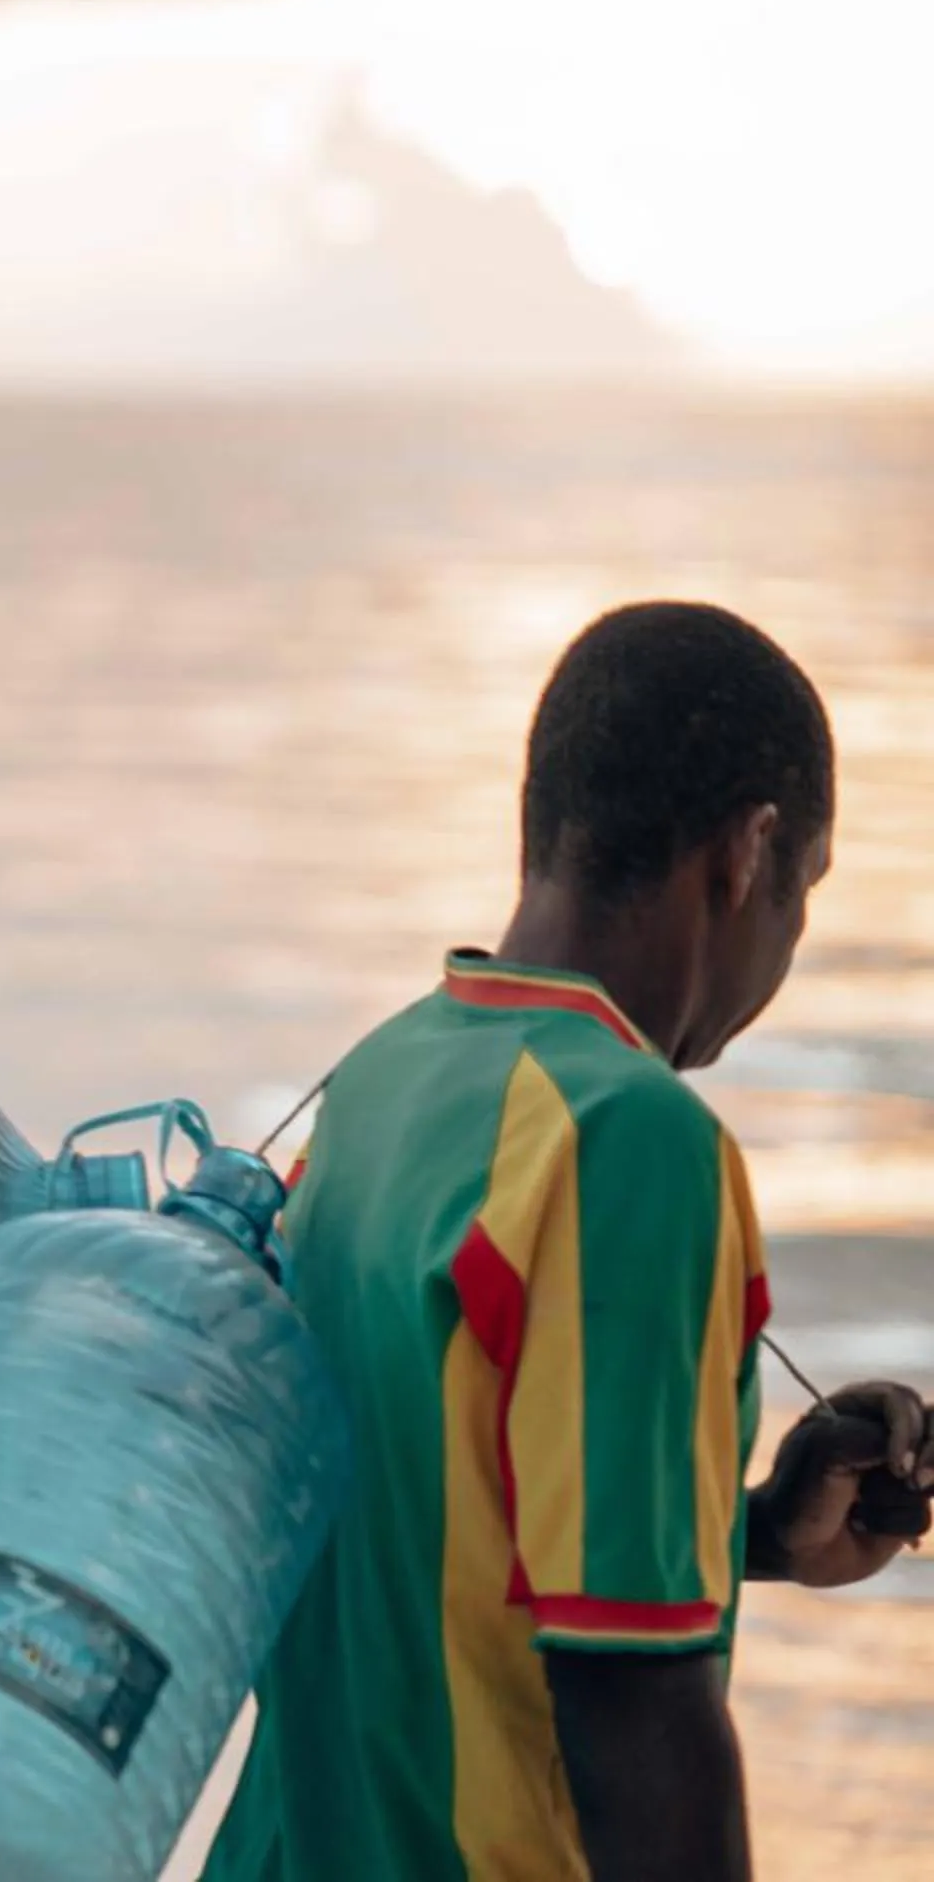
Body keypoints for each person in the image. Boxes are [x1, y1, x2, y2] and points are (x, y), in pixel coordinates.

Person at [204, 602, 933, 1882]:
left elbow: (441, 1530)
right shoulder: (628, 1137)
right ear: (748, 854)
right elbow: (633, 1705)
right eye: (805, 893)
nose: (790, 945)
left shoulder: (386, 1079)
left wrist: (757, 1530)